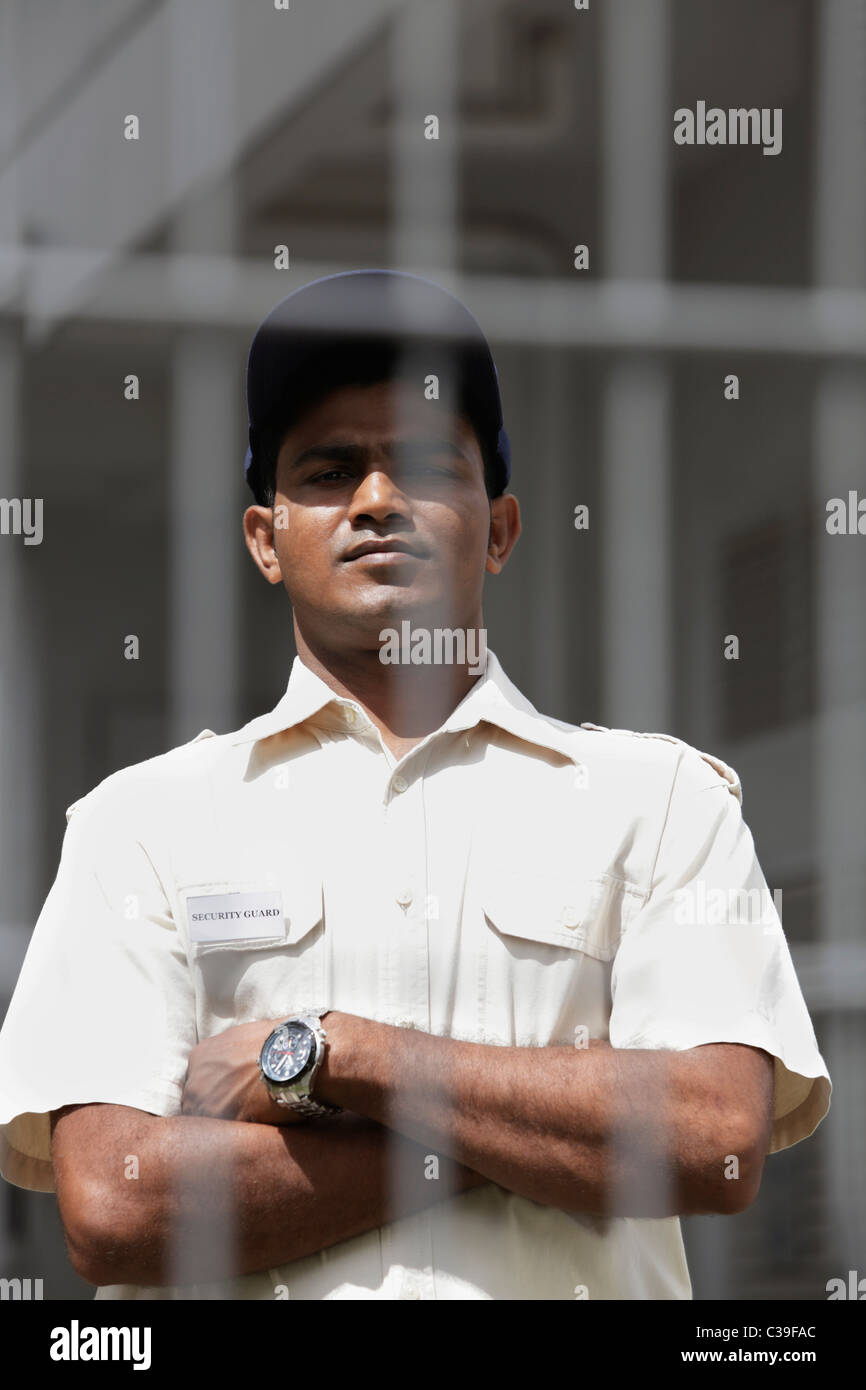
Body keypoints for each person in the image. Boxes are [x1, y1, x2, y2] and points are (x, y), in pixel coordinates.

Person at [0, 269, 831, 1300]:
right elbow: (117, 1206)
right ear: (265, 540)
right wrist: (528, 1138)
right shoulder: (142, 826)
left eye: (427, 464)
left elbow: (708, 1139)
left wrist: (326, 1058)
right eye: (329, 469)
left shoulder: (659, 802)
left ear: (499, 527)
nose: (378, 501)